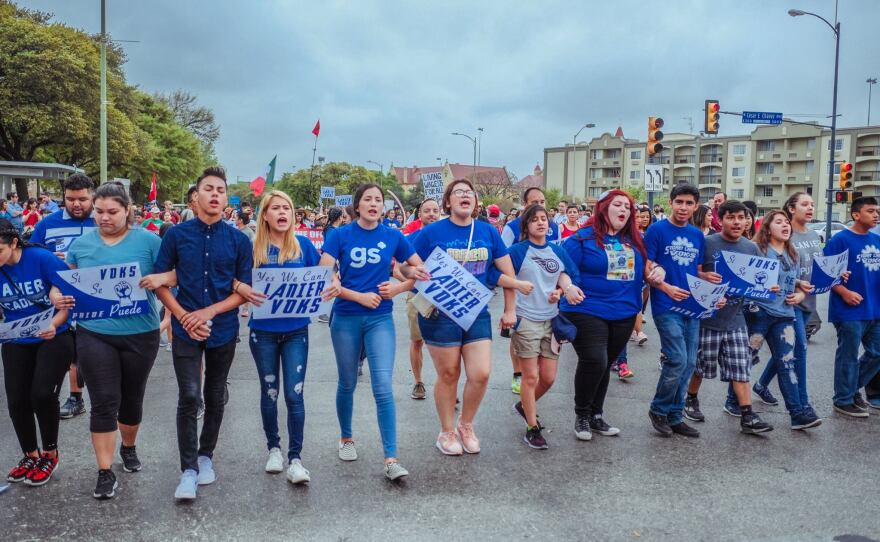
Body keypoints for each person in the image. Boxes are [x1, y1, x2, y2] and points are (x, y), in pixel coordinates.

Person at [144, 166, 252, 501]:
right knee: (190, 396)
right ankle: (188, 469)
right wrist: (183, 317)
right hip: (184, 329)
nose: (216, 194)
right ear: (196, 196)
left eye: (221, 189)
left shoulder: (238, 239)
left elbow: (244, 291)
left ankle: (206, 456)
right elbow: (161, 281)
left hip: (223, 328)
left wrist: (207, 313)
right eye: (209, 188)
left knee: (216, 394)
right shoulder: (176, 235)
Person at [49, 182, 163, 498]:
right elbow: (63, 282)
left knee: (131, 398)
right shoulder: (82, 246)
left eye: (112, 211)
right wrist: (57, 295)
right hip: (94, 333)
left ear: (128, 210)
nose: (104, 217)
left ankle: (128, 446)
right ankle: (104, 471)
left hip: (141, 334)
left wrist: (159, 280)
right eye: (98, 211)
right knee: (104, 401)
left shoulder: (150, 242)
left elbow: (174, 275)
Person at [318, 183, 428, 480]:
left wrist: (398, 287)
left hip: (380, 319)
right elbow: (324, 275)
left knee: (382, 385)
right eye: (367, 199)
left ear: (383, 207)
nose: (373, 204)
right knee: (348, 381)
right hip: (346, 317)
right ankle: (346, 438)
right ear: (357, 205)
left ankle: (391, 459)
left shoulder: (393, 235)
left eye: (378, 200)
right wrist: (357, 296)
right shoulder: (339, 235)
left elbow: (419, 272)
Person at [404, 179, 518, 456]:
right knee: (449, 373)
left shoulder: (488, 232)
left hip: (476, 313)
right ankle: (446, 431)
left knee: (481, 373)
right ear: (448, 202)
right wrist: (411, 274)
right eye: (458, 193)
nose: (464, 196)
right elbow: (402, 264)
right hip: (439, 315)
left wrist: (510, 309)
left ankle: (466, 425)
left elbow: (508, 273)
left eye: (469, 193)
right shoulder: (431, 232)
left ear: (475, 202)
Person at [233, 190, 338, 484]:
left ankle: (296, 458)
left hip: (296, 331)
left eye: (287, 208)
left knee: (295, 394)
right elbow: (233, 278)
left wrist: (333, 284)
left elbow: (324, 276)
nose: (282, 213)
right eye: (275, 208)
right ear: (264, 214)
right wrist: (243, 290)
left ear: (293, 215)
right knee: (270, 392)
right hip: (263, 333)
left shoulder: (303, 245)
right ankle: (274, 449)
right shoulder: (252, 247)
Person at [561, 190, 664, 440]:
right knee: (594, 359)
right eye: (617, 205)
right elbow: (561, 268)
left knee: (606, 363)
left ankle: (597, 415)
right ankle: (582, 415)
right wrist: (567, 287)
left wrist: (658, 270)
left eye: (628, 207)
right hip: (587, 308)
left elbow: (651, 265)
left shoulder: (636, 240)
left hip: (625, 311)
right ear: (604, 209)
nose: (624, 210)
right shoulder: (582, 239)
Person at [683, 201, 775, 433]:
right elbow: (691, 273)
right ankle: (691, 399)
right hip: (708, 319)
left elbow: (757, 280)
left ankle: (747, 415)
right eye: (730, 217)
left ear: (747, 221)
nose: (736, 222)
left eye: (741, 218)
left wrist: (768, 288)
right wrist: (704, 277)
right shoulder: (707, 243)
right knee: (700, 366)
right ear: (720, 219)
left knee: (740, 366)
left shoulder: (751, 248)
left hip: (736, 318)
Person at [0, 219, 73, 487]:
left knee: (42, 394)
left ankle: (50, 454)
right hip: (16, 338)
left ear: (14, 243)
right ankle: (30, 455)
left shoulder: (41, 258)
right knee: (17, 400)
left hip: (55, 334)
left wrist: (53, 324)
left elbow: (69, 299)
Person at [508, 204, 583, 448]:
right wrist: (517, 287)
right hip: (526, 320)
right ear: (526, 226)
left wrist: (561, 292)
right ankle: (532, 427)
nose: (541, 223)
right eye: (535, 220)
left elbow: (572, 275)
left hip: (551, 321)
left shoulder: (557, 251)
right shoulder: (517, 251)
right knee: (530, 377)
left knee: (548, 378)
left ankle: (524, 404)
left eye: (544, 219)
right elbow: (498, 275)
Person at [29, 174, 97, 421]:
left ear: (93, 196)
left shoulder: (104, 219)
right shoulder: (47, 224)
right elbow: (31, 255)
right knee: (69, 346)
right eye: (70, 199)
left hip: (96, 294)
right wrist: (48, 262)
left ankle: (106, 398)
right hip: (58, 296)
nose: (76, 204)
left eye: (82, 199)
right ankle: (75, 398)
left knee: (96, 348)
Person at [646, 184, 710, 438]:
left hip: (691, 306)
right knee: (677, 359)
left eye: (689, 203)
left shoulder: (697, 235)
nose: (684, 208)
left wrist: (710, 281)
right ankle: (658, 409)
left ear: (696, 206)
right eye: (679, 202)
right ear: (671, 202)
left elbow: (698, 270)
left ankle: (675, 415)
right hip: (666, 304)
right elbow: (647, 266)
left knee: (690, 362)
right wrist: (666, 288)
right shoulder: (656, 230)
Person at [745, 210, 819, 429]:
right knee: (747, 359)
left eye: (787, 222)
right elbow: (746, 279)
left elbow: (792, 279)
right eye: (779, 222)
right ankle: (733, 401)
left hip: (785, 316)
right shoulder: (757, 250)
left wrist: (800, 292)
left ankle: (797, 414)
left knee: (787, 363)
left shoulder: (792, 252)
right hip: (759, 314)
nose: (786, 225)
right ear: (768, 228)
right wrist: (762, 287)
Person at [501, 187, 560, 395]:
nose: (539, 204)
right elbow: (502, 260)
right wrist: (515, 285)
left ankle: (530, 380)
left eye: (543, 201)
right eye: (534, 201)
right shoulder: (511, 228)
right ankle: (518, 374)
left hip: (547, 293)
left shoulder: (553, 227)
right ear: (525, 204)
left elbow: (557, 259)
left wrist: (562, 288)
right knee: (516, 335)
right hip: (520, 291)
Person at [824, 197, 880, 417]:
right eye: (870, 211)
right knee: (847, 355)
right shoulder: (840, 240)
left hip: (875, 309)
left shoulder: (876, 240)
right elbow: (825, 274)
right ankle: (843, 400)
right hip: (849, 310)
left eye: (877, 211)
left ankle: (849, 388)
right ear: (856, 215)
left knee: (877, 353)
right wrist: (844, 292)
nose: (876, 215)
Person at [391, 198, 441, 400]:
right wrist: (413, 282)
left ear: (440, 213)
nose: (431, 214)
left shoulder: (448, 236)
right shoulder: (412, 238)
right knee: (417, 341)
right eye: (426, 210)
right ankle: (418, 382)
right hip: (417, 297)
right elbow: (397, 269)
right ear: (419, 215)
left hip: (443, 298)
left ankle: (445, 383)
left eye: (435, 210)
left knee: (443, 344)